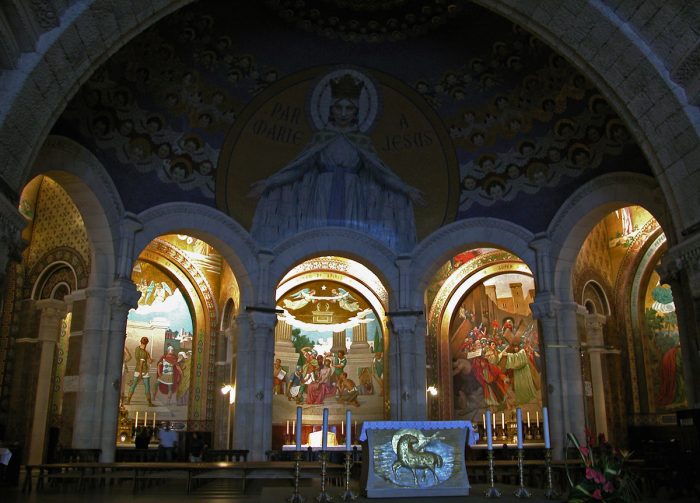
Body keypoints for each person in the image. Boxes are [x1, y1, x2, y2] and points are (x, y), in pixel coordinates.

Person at [249, 69, 423, 251]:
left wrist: (406, 189)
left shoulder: (361, 141)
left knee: (350, 240)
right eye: (338, 108)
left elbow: (381, 173)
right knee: (319, 237)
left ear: (356, 111)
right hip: (323, 190)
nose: (343, 113)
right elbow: (297, 168)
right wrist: (270, 183)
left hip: (352, 191)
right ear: (331, 109)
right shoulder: (322, 138)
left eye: (349, 108)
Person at [126, 337, 153, 406]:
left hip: (137, 370)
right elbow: (141, 364)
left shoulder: (137, 348)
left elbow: (145, 360)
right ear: (147, 343)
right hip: (143, 371)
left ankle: (128, 401)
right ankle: (149, 403)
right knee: (147, 387)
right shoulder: (143, 353)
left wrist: (148, 356)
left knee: (133, 386)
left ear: (140, 341)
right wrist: (141, 374)